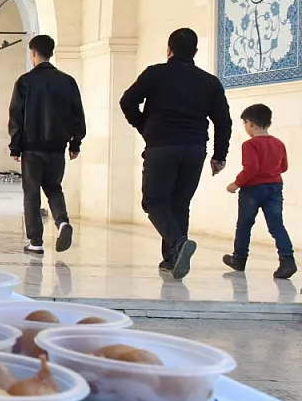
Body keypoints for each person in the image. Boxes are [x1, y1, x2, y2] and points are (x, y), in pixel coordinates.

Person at [120, 28, 232, 280]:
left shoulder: (155, 74)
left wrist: (144, 126)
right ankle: (171, 259)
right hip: (195, 149)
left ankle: (178, 244)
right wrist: (219, 155)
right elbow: (223, 121)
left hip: (162, 147)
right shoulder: (209, 82)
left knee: (154, 202)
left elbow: (127, 101)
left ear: (169, 49)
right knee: (179, 204)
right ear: (195, 52)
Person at [8, 35, 86, 255]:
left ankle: (36, 242)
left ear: (33, 53)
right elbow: (77, 114)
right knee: (53, 188)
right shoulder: (67, 81)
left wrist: (15, 146)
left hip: (32, 148)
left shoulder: (25, 81)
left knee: (32, 193)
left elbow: (16, 115)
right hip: (57, 147)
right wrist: (75, 143)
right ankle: (62, 222)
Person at [223, 104, 295, 279]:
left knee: (245, 224)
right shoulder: (279, 143)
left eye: (245, 123)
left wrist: (236, 184)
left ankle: (239, 259)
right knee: (276, 225)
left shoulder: (250, 145)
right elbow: (284, 167)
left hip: (252, 190)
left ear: (250, 123)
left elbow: (251, 168)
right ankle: (287, 260)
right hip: (275, 187)